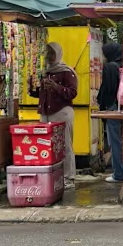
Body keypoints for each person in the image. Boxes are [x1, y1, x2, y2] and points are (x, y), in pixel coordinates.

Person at [29, 42, 78, 187]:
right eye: (47, 53)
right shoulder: (45, 72)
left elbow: (72, 93)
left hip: (62, 112)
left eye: (51, 53)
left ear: (58, 54)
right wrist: (31, 88)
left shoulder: (66, 71)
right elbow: (41, 94)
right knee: (46, 146)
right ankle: (51, 176)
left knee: (65, 145)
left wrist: (56, 87)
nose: (48, 57)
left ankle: (69, 178)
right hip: (46, 113)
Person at [97, 43, 123, 183]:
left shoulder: (110, 67)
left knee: (114, 140)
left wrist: (102, 105)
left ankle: (119, 173)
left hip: (113, 107)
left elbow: (108, 90)